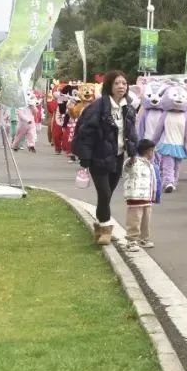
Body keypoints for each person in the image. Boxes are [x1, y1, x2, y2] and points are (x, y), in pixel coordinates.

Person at [71, 70, 138, 245]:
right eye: (117, 83)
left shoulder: (128, 108)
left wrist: (132, 152)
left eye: (124, 83)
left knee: (107, 195)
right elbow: (85, 133)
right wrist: (85, 157)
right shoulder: (98, 107)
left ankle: (101, 227)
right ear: (109, 86)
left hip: (117, 156)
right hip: (99, 157)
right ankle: (106, 230)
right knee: (104, 192)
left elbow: (131, 132)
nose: (121, 86)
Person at [122, 139, 161, 251]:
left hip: (147, 198)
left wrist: (154, 196)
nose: (153, 154)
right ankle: (131, 241)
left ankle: (143, 238)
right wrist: (132, 156)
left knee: (145, 220)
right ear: (148, 151)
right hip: (135, 197)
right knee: (134, 220)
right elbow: (128, 166)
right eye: (153, 151)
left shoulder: (150, 165)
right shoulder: (133, 162)